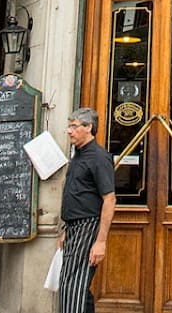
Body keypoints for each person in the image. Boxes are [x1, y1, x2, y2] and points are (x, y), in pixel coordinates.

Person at [58, 108, 116, 313]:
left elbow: (109, 199)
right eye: (69, 126)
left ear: (88, 127)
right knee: (75, 285)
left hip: (88, 226)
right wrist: (67, 229)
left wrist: (101, 241)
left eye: (74, 126)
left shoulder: (99, 157)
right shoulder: (78, 156)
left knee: (72, 285)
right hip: (74, 227)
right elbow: (78, 194)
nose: (69, 131)